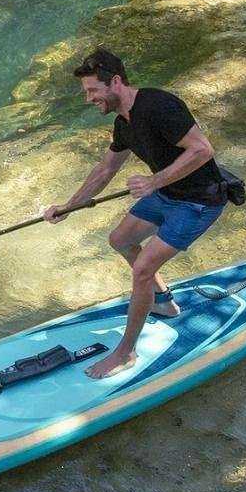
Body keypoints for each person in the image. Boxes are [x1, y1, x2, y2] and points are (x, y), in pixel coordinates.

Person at [44, 48, 228, 379]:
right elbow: (105, 170)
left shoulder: (159, 105)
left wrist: (154, 181)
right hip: (168, 194)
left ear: (115, 82)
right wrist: (69, 207)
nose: (89, 99)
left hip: (200, 201)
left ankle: (125, 354)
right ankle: (163, 302)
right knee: (120, 239)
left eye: (93, 90)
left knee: (142, 269)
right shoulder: (123, 123)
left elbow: (202, 150)